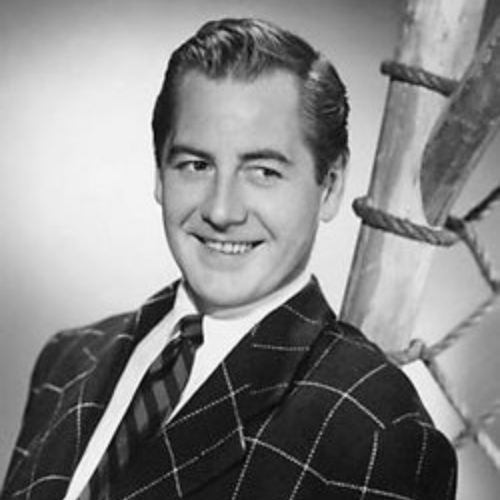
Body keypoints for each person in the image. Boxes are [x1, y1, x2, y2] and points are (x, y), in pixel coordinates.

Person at [1, 17, 457, 500]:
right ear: (159, 174)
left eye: (263, 172)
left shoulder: (376, 428)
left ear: (330, 185)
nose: (221, 211)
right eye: (196, 165)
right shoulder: (68, 361)